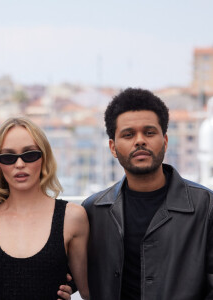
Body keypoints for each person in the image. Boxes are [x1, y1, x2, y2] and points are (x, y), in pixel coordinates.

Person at [82, 88, 213, 299]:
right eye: (128, 134)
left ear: (165, 141)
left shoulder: (206, 206)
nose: (140, 140)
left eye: (149, 132)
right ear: (113, 148)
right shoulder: (93, 210)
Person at [0, 117, 90, 300]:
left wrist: (70, 286)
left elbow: (88, 290)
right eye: (8, 157)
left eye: (30, 154)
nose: (20, 164)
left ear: (44, 157)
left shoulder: (73, 217)